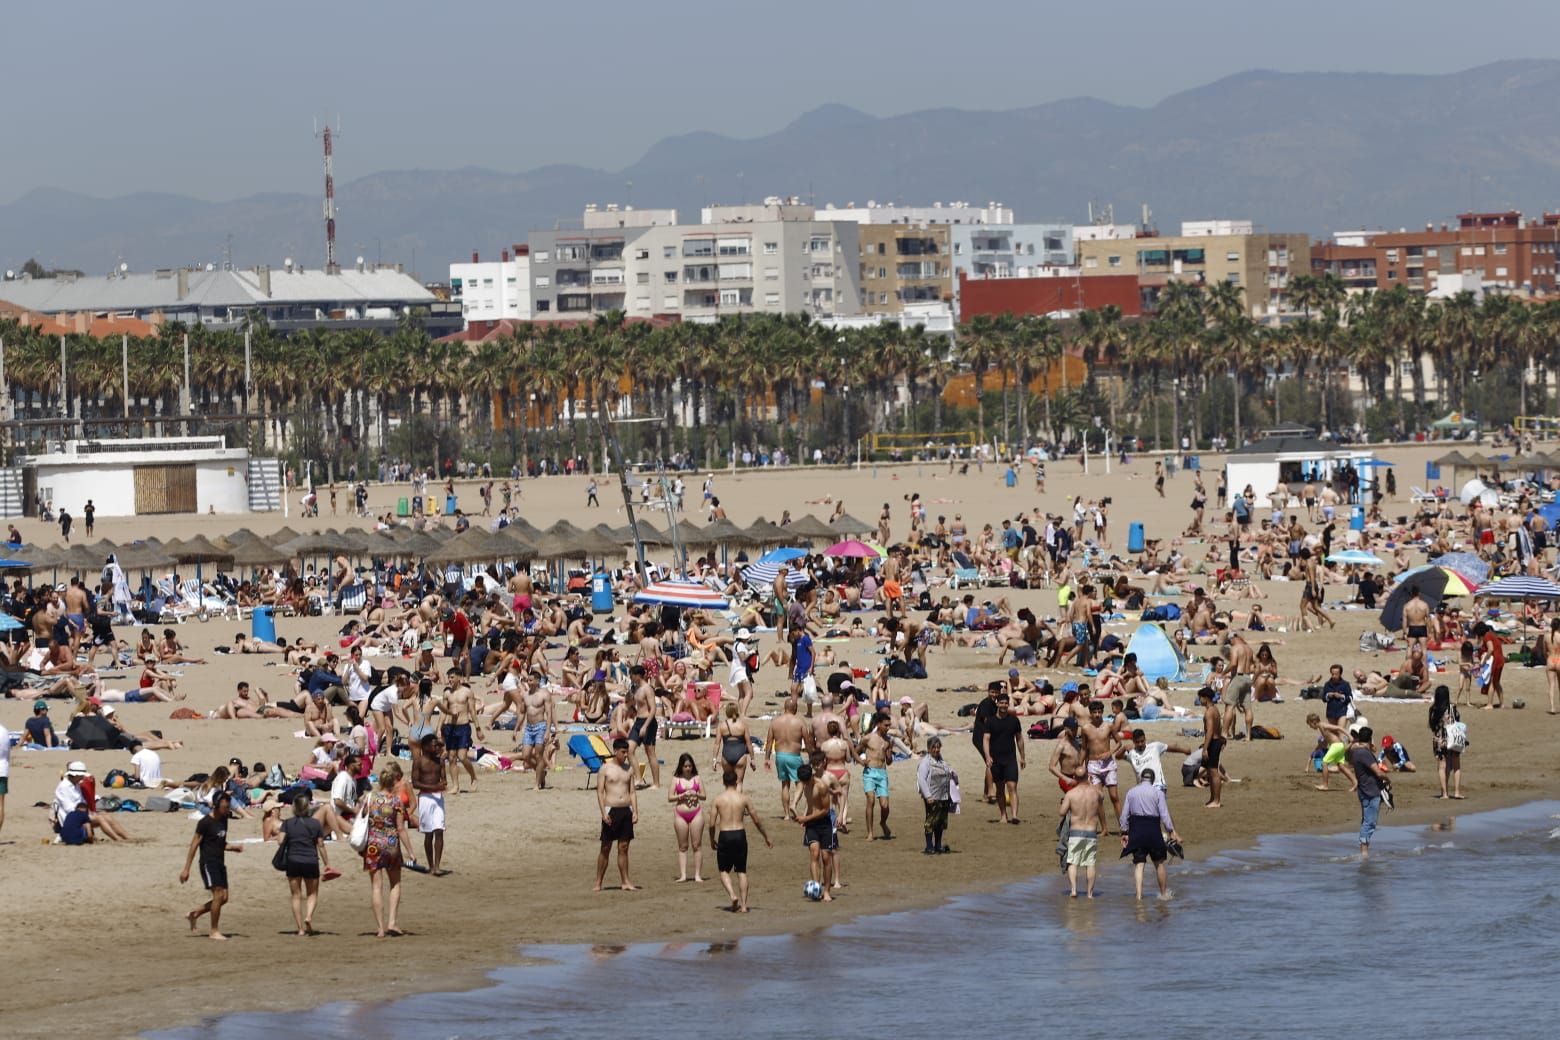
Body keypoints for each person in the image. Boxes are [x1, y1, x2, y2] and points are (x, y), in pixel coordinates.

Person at [708, 767, 772, 913]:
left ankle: (732, 895)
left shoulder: (718, 799)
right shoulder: (744, 798)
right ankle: (743, 906)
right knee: (741, 871)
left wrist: (712, 840)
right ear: (736, 782)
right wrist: (766, 836)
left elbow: (711, 823)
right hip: (739, 834)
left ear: (723, 782)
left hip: (725, 835)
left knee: (723, 870)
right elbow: (756, 820)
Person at [361, 761, 414, 937]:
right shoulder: (396, 801)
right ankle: (392, 922)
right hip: (391, 845)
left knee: (376, 887)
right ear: (393, 783)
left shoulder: (369, 798)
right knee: (395, 884)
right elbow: (401, 828)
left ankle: (380, 928)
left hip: (373, 845)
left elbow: (361, 818)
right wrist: (410, 852)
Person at [180, 791, 242, 940]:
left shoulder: (224, 819)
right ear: (216, 806)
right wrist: (186, 868)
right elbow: (194, 845)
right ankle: (214, 931)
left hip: (220, 862)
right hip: (208, 863)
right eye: (225, 807)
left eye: (229, 807)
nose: (228, 810)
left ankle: (195, 914)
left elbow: (219, 843)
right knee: (218, 895)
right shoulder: (205, 823)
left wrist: (233, 848)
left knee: (224, 898)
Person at [1120, 769, 1181, 900]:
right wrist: (1171, 831)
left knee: (1139, 864)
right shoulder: (1158, 793)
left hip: (1136, 829)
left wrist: (1124, 832)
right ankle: (1164, 894)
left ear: (1141, 778)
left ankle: (1138, 896)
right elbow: (1164, 815)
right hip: (1153, 829)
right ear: (1153, 780)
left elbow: (1124, 815)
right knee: (1159, 863)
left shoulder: (1131, 792)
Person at [276, 791, 331, 936]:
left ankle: (300, 929)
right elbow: (321, 845)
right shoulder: (315, 824)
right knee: (312, 893)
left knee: (296, 895)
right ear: (307, 807)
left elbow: (280, 841)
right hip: (310, 861)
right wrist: (327, 864)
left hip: (293, 861)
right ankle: (308, 917)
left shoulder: (287, 823)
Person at [595, 737, 641, 892]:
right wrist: (603, 812)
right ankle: (598, 881)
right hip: (611, 809)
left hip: (625, 810)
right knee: (606, 847)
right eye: (623, 752)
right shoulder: (605, 769)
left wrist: (635, 811)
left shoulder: (629, 769)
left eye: (627, 752)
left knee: (624, 847)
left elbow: (632, 792)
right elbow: (600, 792)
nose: (626, 755)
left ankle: (625, 881)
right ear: (615, 751)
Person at [1340, 725, 1390, 859]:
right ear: (1370, 739)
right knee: (1370, 822)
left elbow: (1349, 759)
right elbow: (1378, 772)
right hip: (1371, 790)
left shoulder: (1356, 752)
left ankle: (1364, 850)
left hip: (1364, 789)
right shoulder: (1364, 753)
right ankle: (1364, 852)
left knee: (1366, 821)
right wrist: (1388, 779)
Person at [793, 762, 836, 902]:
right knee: (814, 853)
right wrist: (793, 805)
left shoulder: (821, 787)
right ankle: (816, 889)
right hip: (811, 824)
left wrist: (805, 818)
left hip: (824, 823)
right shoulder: (803, 782)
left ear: (811, 776)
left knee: (826, 857)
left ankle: (827, 891)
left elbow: (825, 810)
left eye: (806, 781)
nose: (804, 784)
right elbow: (799, 791)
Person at [981, 691, 1024, 824]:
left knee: (1012, 786)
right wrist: (987, 756)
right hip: (996, 760)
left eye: (1006, 703)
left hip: (1010, 759)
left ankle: (1015, 815)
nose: (1004, 705)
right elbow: (986, 739)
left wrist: (1022, 756)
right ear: (997, 704)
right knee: (1000, 788)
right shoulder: (990, 721)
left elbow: (1019, 739)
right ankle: (1003, 816)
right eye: (1001, 703)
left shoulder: (1014, 720)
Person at [1059, 776, 1105, 898]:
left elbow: (1062, 812)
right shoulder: (1095, 793)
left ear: (1075, 778)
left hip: (1076, 832)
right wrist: (1091, 784)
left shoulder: (1071, 793)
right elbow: (1102, 796)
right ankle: (1089, 894)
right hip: (1091, 833)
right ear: (1087, 777)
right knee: (1090, 864)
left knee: (1072, 862)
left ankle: (1074, 890)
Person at [410, 733, 449, 876]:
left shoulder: (439, 761)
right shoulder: (419, 761)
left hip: (438, 798)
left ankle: (437, 866)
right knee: (428, 833)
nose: (436, 747)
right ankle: (431, 865)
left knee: (439, 830)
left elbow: (444, 779)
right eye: (434, 745)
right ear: (426, 747)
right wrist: (433, 787)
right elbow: (415, 782)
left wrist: (442, 782)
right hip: (426, 797)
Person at [764, 696, 808, 820]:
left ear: (785, 708)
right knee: (801, 782)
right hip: (794, 755)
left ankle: (787, 815)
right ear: (795, 708)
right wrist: (812, 754)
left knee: (785, 784)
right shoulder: (799, 722)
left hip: (779, 756)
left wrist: (767, 758)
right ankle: (793, 804)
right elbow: (808, 741)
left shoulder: (775, 722)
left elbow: (768, 742)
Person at [668, 753, 706, 884]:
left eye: (690, 766)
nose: (688, 768)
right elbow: (670, 797)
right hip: (681, 813)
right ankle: (683, 875)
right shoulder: (676, 779)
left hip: (696, 813)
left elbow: (704, 795)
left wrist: (696, 793)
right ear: (681, 766)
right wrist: (682, 795)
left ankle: (697, 875)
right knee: (683, 846)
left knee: (697, 845)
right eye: (685, 766)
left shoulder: (697, 778)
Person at [916, 735, 957, 854]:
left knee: (941, 822)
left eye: (938, 747)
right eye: (933, 747)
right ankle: (929, 846)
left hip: (943, 796)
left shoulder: (942, 761)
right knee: (931, 821)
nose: (936, 749)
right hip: (932, 797)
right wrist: (928, 796)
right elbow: (921, 780)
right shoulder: (925, 762)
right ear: (929, 749)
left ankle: (938, 846)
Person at [858, 711, 894, 840]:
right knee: (871, 800)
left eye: (889, 725)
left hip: (882, 772)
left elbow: (889, 762)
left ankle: (883, 822)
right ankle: (870, 833)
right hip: (869, 772)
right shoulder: (868, 738)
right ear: (879, 724)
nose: (888, 727)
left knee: (885, 806)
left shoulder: (888, 741)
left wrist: (889, 757)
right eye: (886, 725)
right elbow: (856, 752)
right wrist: (861, 761)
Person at [1429, 685, 1464, 799]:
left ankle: (1444, 793)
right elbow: (1457, 721)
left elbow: (1432, 725)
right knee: (1456, 766)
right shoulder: (1452, 708)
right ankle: (1457, 792)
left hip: (1439, 740)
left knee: (1442, 767)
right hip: (1453, 738)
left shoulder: (1434, 709)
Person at [1198, 686, 1226, 808]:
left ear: (1206, 698)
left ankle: (1217, 801)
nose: (1199, 700)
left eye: (1200, 697)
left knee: (1214, 772)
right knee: (1210, 771)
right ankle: (1212, 798)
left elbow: (1209, 731)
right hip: (1216, 741)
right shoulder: (1215, 709)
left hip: (1213, 742)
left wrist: (1205, 748)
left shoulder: (1209, 712)